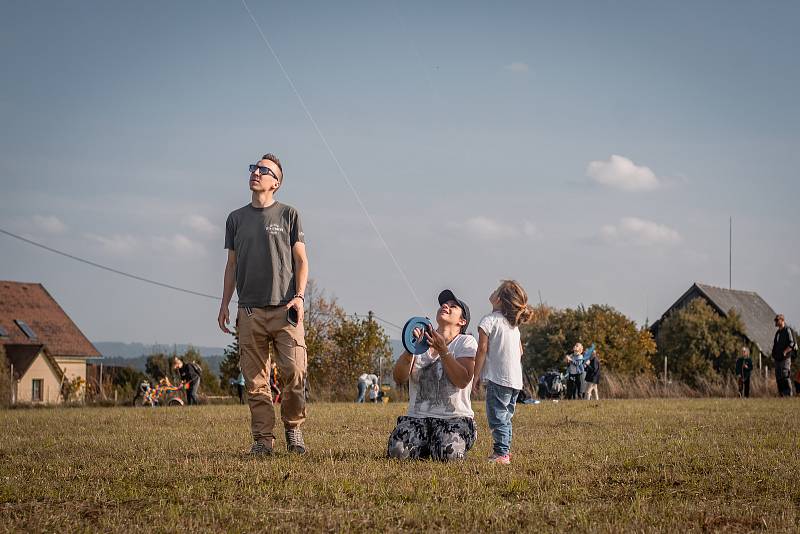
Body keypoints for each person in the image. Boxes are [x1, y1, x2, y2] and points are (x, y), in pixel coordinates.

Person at [218, 153, 309, 455]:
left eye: (263, 170)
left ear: (276, 183)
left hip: (286, 310)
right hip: (249, 311)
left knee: (294, 373)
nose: (256, 173)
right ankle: (263, 441)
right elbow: (231, 265)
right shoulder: (235, 219)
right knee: (255, 383)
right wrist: (224, 304)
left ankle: (294, 429)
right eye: (254, 168)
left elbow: (301, 260)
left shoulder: (289, 215)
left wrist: (299, 296)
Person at [388, 290, 477, 462]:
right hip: (417, 418)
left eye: (453, 306)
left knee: (449, 455)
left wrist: (444, 351)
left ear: (462, 321)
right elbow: (399, 378)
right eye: (444, 304)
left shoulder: (466, 342)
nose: (445, 306)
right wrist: (410, 350)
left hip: (454, 419)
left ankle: (438, 443)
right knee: (398, 452)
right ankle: (426, 444)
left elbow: (462, 380)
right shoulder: (419, 341)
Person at [472, 280, 534, 465]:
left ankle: (501, 454)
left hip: (499, 379)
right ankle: (504, 451)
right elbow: (520, 352)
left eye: (495, 290)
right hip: (515, 380)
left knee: (497, 417)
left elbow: (481, 349)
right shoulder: (513, 325)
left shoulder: (488, 320)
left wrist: (476, 376)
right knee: (505, 417)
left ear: (498, 299)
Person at [771, 314, 796, 397]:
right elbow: (775, 345)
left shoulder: (787, 330)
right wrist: (773, 354)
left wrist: (785, 352)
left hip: (785, 358)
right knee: (778, 376)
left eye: (777, 320)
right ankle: (781, 394)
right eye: (775, 320)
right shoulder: (778, 333)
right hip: (777, 358)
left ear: (782, 320)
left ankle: (788, 394)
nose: (776, 322)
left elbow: (792, 343)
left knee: (785, 375)